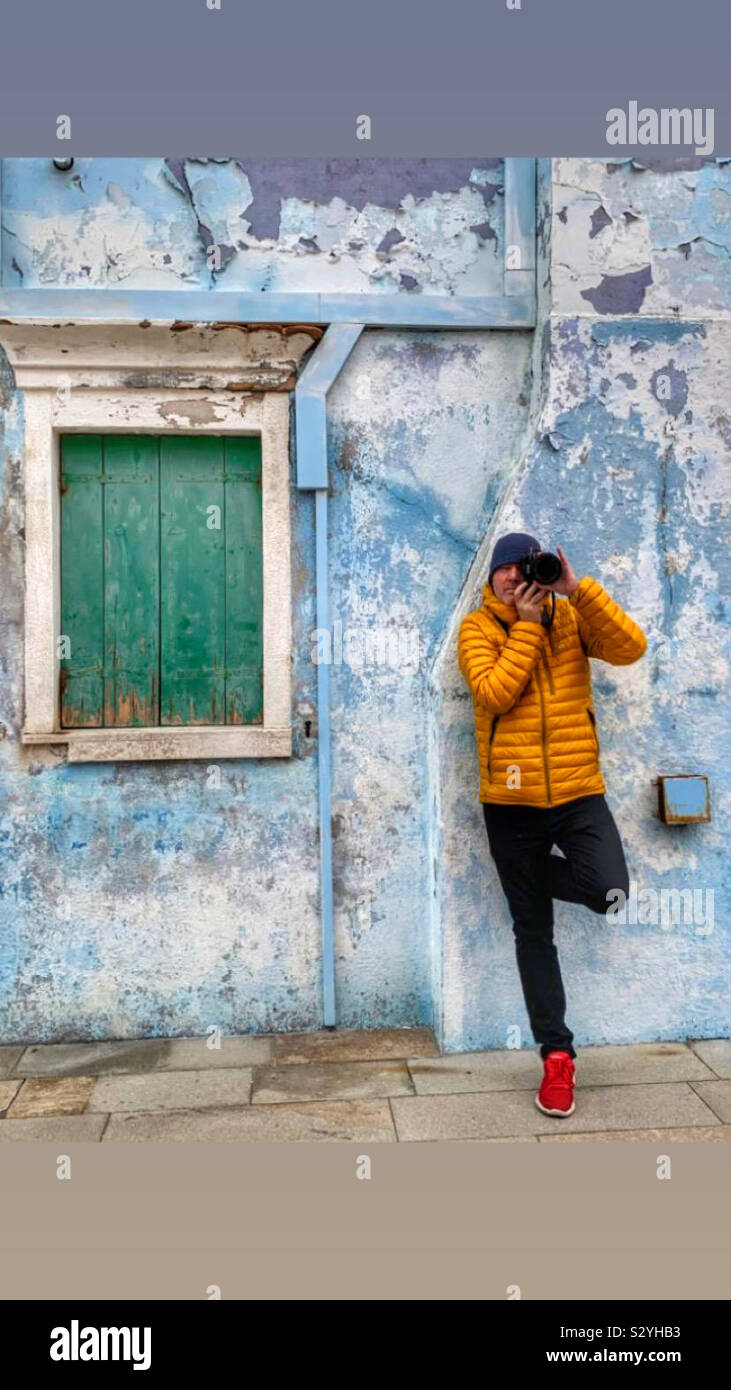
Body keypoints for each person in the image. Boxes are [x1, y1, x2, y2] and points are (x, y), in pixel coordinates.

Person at [457, 532, 647, 1118]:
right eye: (505, 572)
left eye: (526, 569)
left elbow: (630, 648)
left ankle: (528, 875)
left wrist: (578, 590)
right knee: (533, 932)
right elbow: (494, 691)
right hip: (510, 801)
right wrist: (523, 626)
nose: (516, 580)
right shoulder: (478, 630)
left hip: (576, 791)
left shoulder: (569, 617)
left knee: (608, 891)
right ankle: (557, 1060)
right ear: (491, 579)